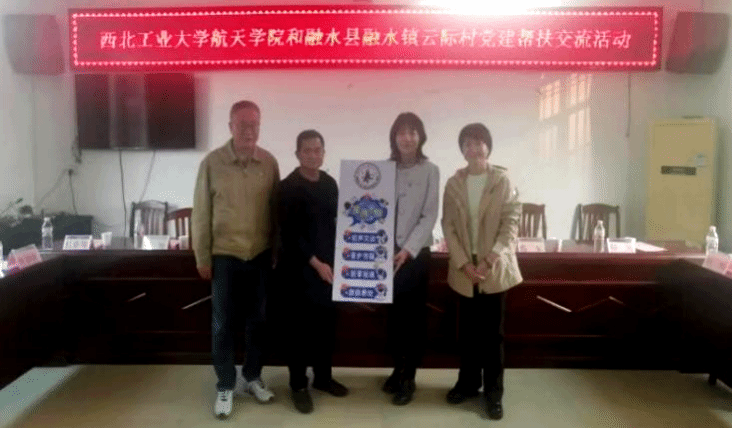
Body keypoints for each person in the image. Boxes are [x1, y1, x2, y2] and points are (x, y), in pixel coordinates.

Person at [192, 100, 279, 418]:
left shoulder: (268, 162)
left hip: (259, 256)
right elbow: (201, 213)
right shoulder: (212, 163)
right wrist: (202, 256)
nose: (249, 130)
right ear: (230, 126)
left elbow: (276, 210)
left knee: (258, 322)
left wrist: (276, 250)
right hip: (225, 257)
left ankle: (252, 377)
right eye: (242, 124)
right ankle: (225, 384)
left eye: (254, 124)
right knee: (223, 324)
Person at [441, 123, 522, 420]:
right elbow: (448, 226)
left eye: (478, 142)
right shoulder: (453, 184)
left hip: (493, 266)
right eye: (467, 144)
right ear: (462, 150)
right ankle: (467, 384)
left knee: (493, 336)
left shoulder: (502, 180)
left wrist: (489, 260)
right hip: (465, 268)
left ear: (488, 146)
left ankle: (493, 394)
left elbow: (511, 223)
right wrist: (464, 263)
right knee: (468, 333)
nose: (473, 148)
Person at [277, 130, 349, 414]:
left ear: (323, 153)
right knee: (298, 331)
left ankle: (323, 378)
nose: (313, 155)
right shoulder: (288, 187)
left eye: (318, 150)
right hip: (299, 271)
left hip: (329, 272)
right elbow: (289, 234)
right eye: (307, 150)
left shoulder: (330, 184)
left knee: (325, 328)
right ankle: (298, 385)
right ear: (297, 154)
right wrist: (316, 263)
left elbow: (340, 223)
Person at [382, 112, 440, 405]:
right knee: (393, 317)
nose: (407, 138)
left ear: (421, 137)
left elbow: (429, 215)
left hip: (415, 255)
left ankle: (410, 377)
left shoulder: (430, 170)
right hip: (385, 254)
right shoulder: (383, 170)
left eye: (413, 132)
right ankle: (397, 367)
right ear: (394, 137)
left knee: (413, 318)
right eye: (402, 132)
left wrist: (407, 249)